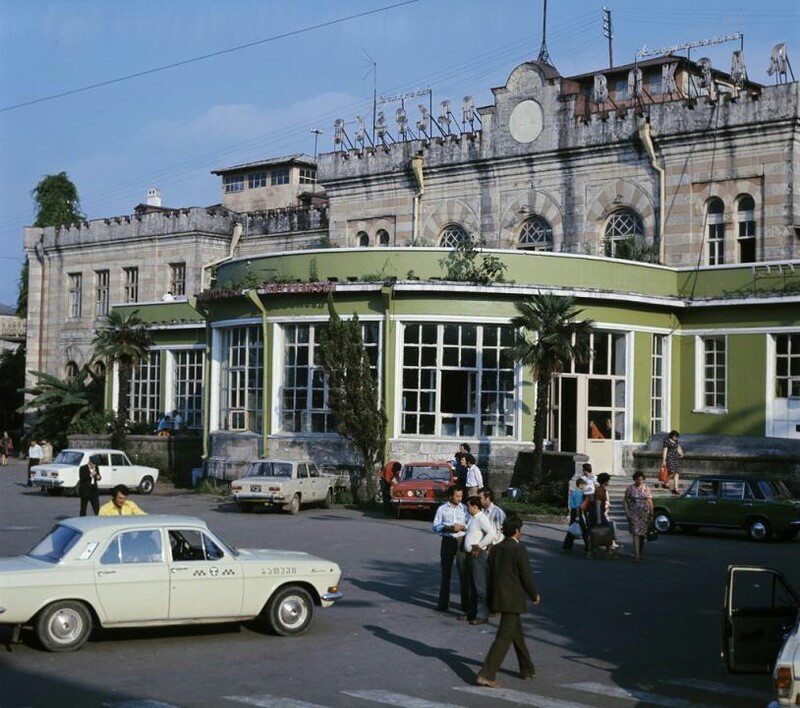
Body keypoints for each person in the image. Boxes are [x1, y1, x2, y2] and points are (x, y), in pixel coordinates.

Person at [476, 515, 540, 688]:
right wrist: (534, 594)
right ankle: (487, 673)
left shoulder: (495, 549)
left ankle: (527, 669)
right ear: (517, 531)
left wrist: (490, 602)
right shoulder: (519, 550)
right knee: (504, 636)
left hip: (498, 597)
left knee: (516, 634)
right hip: (513, 599)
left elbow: (489, 576)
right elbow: (526, 575)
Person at [432, 485, 468, 616]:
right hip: (447, 541)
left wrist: (462, 527)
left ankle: (465, 604)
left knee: (464, 573)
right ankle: (442, 603)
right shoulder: (442, 509)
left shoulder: (464, 508)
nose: (460, 498)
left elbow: (470, 524)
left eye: (461, 496)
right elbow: (436, 526)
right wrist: (450, 528)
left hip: (461, 541)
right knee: (445, 573)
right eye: (457, 496)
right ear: (450, 496)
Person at [463, 495, 495, 625]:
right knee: (472, 585)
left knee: (479, 586)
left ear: (475, 507)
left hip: (478, 555)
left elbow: (491, 533)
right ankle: (471, 612)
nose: (467, 509)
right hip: (470, 555)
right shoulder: (472, 518)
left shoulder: (481, 518)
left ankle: (482, 615)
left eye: (469, 506)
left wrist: (480, 545)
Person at [587, 472, 619, 558]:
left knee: (593, 531)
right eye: (608, 480)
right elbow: (597, 504)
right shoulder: (600, 490)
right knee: (609, 530)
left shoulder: (600, 489)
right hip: (597, 512)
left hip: (596, 512)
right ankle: (608, 552)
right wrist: (599, 518)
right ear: (605, 481)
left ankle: (591, 551)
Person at [624, 471, 654, 563]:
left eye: (641, 479)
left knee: (642, 535)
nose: (639, 481)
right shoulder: (630, 488)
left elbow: (650, 501)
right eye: (637, 479)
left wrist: (652, 513)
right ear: (635, 479)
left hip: (644, 513)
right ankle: (636, 554)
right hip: (634, 513)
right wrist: (627, 512)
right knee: (636, 533)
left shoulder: (646, 489)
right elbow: (625, 500)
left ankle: (640, 552)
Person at [562, 477, 589, 552]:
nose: (584, 486)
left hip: (574, 512)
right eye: (583, 485)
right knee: (583, 530)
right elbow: (578, 506)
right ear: (580, 485)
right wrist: (578, 516)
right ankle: (588, 546)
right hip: (577, 512)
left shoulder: (575, 492)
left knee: (573, 530)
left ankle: (567, 547)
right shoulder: (578, 494)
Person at [662, 430, 684, 494]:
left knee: (677, 473)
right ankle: (665, 482)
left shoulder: (676, 441)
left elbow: (678, 448)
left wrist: (681, 453)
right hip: (669, 458)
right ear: (672, 435)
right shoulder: (667, 441)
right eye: (675, 436)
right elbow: (665, 451)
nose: (676, 438)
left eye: (677, 437)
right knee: (672, 472)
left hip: (675, 458)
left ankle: (676, 489)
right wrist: (664, 460)